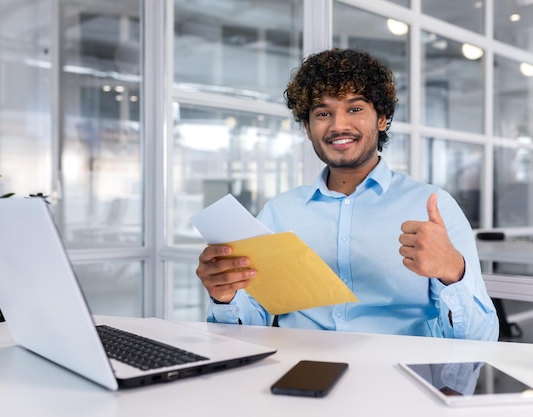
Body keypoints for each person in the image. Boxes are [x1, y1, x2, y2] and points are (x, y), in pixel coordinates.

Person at [196, 48, 498, 341]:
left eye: (355, 108)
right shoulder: (281, 211)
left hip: (399, 377)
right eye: (323, 113)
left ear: (381, 118)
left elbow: (480, 338)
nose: (339, 125)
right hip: (300, 370)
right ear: (307, 127)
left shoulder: (432, 206)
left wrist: (453, 272)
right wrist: (225, 296)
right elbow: (249, 326)